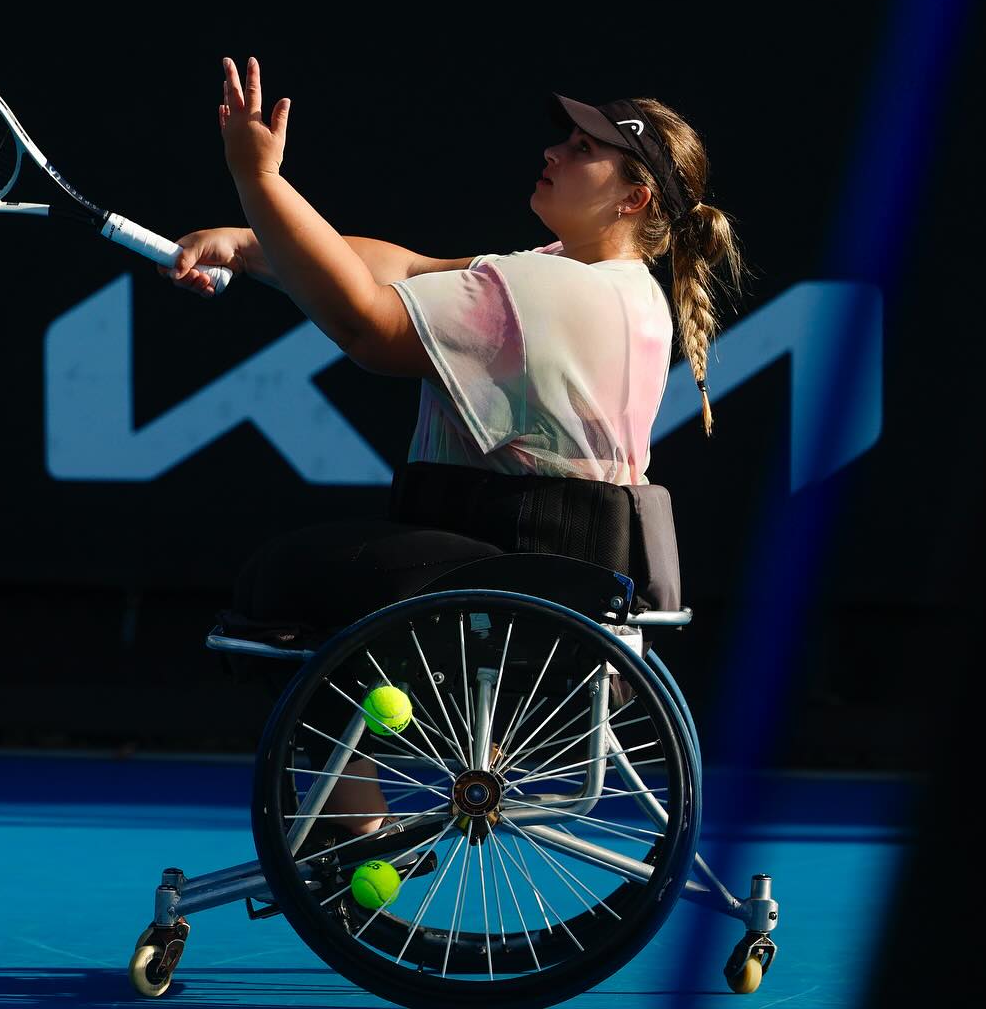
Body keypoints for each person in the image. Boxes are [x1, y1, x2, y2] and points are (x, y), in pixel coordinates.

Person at [167, 57, 744, 834]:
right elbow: (402, 267)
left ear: (633, 197)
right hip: (574, 585)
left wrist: (259, 183)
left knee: (284, 582)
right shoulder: (598, 282)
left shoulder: (553, 292)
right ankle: (351, 833)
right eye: (564, 140)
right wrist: (249, 242)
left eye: (583, 151)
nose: (554, 153)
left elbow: (369, 322)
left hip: (518, 585)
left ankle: (354, 833)